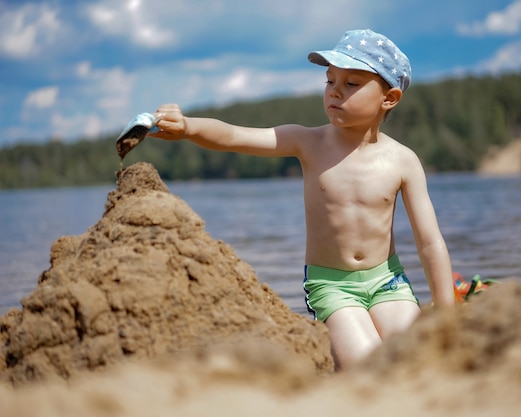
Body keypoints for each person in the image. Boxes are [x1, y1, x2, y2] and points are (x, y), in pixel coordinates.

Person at [150, 29, 455, 369]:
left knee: (418, 359)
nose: (335, 90)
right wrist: (188, 126)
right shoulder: (307, 143)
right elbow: (234, 136)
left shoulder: (403, 160)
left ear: (390, 98)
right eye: (329, 81)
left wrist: (446, 313)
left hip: (388, 283)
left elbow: (430, 243)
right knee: (369, 366)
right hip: (332, 287)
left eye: (351, 84)